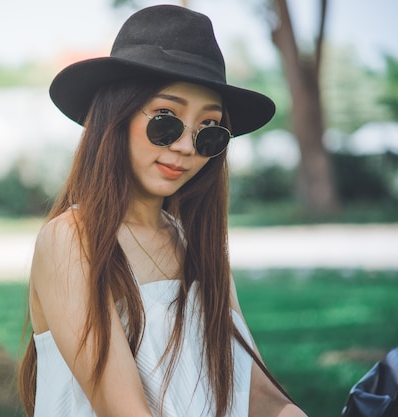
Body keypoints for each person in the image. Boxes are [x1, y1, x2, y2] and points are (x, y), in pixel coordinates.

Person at [18, 5, 307, 417]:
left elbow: (252, 390)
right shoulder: (71, 239)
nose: (187, 147)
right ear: (115, 116)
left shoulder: (197, 245)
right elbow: (123, 409)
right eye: (166, 120)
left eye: (209, 130)